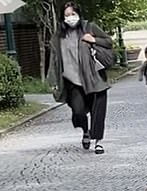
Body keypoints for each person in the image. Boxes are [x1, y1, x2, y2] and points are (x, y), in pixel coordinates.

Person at [48, 1, 112, 155]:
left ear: (78, 14)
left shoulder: (89, 27)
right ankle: (85, 131)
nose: (70, 18)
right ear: (62, 18)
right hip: (72, 81)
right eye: (67, 15)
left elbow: (109, 42)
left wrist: (94, 40)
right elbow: (54, 59)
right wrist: (53, 80)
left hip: (95, 78)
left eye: (73, 14)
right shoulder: (59, 36)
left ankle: (98, 141)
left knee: (98, 111)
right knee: (78, 111)